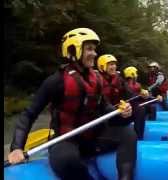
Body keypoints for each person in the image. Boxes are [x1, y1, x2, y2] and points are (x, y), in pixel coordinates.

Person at [7, 28, 137, 180]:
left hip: (93, 138)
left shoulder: (96, 79)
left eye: (94, 50)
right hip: (65, 140)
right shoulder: (56, 81)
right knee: (67, 161)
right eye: (89, 49)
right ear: (73, 50)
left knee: (128, 134)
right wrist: (16, 147)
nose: (94, 54)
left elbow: (107, 111)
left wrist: (123, 114)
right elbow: (29, 114)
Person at [123, 66, 149, 139]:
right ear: (132, 74)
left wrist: (147, 96)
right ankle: (138, 136)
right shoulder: (125, 85)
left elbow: (141, 97)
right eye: (136, 73)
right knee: (141, 110)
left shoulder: (137, 85)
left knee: (142, 109)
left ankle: (139, 136)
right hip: (127, 111)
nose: (137, 75)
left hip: (135, 108)